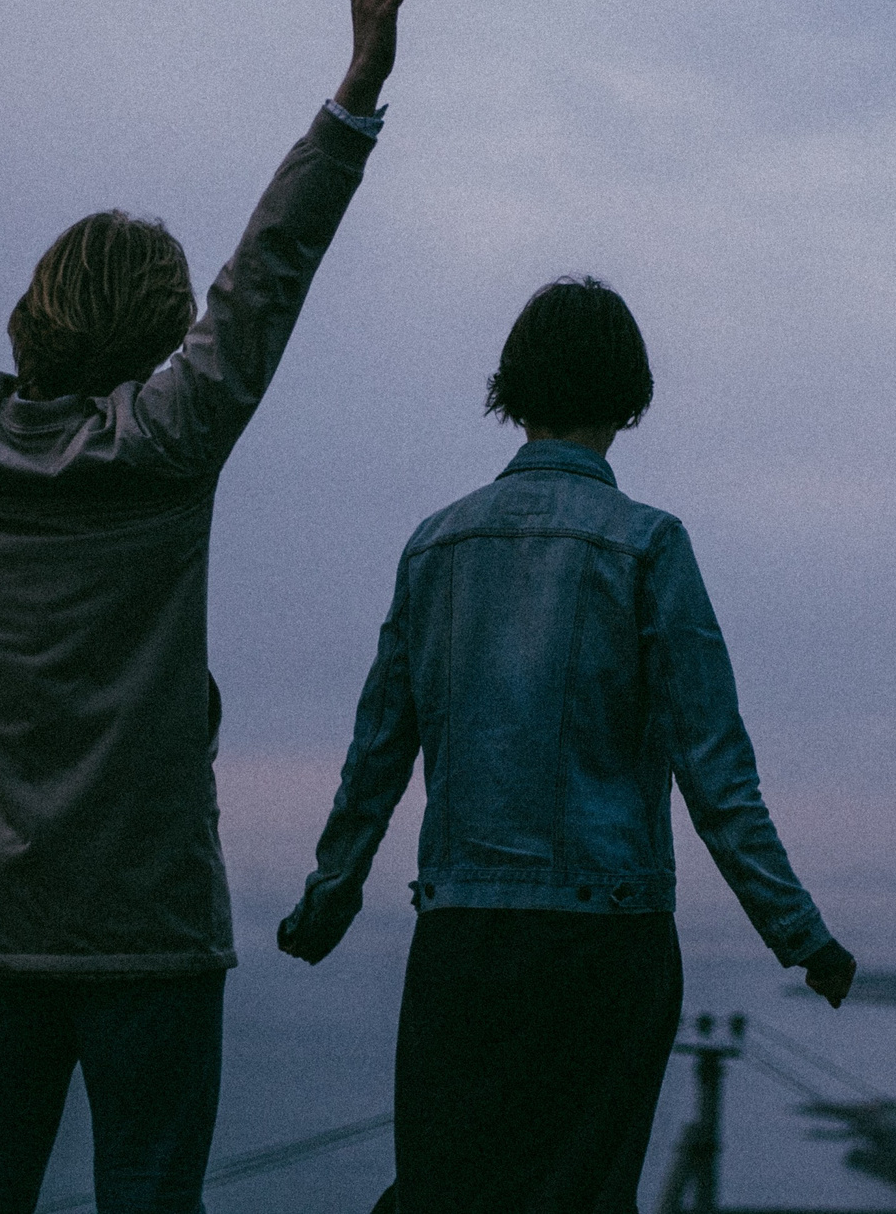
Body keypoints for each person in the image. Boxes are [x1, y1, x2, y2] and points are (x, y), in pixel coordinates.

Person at [0, 0, 425, 1214]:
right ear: (164, 335)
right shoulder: (166, 446)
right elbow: (267, 275)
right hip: (149, 927)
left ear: (34, 311)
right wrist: (353, 95)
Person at [279, 276, 857, 1214]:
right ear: (629, 395)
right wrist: (802, 937)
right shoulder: (650, 547)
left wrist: (327, 899)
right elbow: (718, 773)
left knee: (446, 1194)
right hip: (606, 946)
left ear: (514, 389)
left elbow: (375, 754)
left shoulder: (433, 547)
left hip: (461, 939)